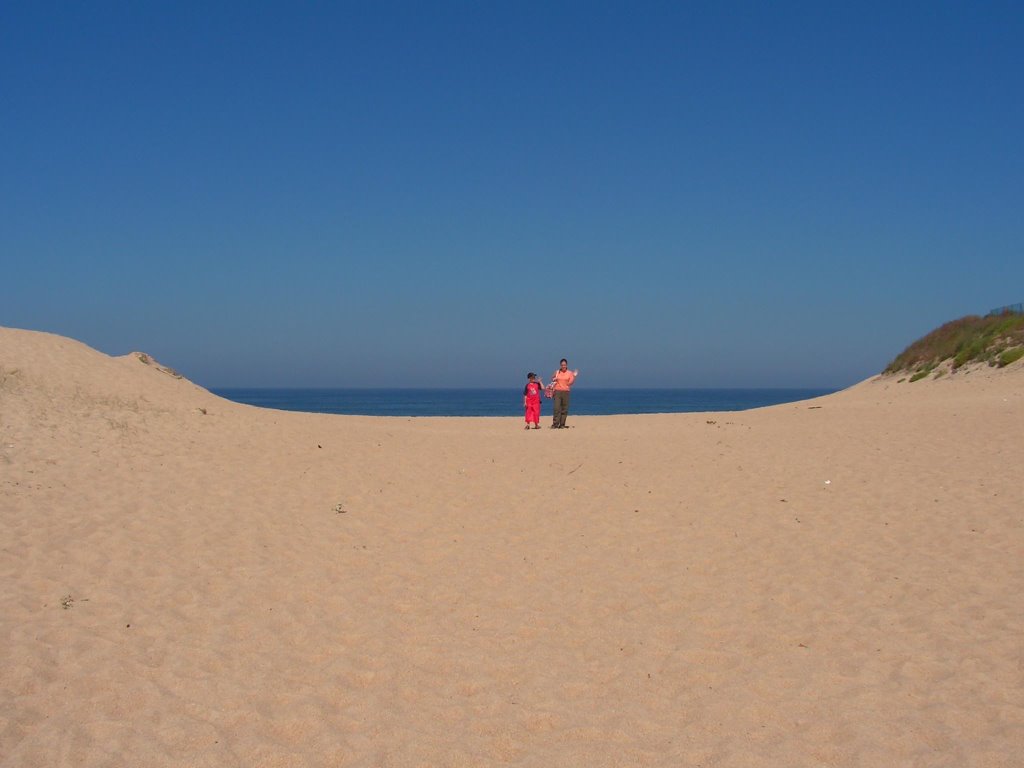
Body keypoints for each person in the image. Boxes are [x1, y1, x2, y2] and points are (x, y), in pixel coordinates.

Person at [550, 358, 579, 428]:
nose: (563, 366)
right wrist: (554, 379)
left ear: (566, 365)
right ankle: (555, 424)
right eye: (562, 365)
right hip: (557, 391)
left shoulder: (569, 373)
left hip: (566, 391)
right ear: (560, 365)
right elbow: (552, 378)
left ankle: (562, 424)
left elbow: (570, 383)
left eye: (565, 365)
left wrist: (574, 376)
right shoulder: (557, 372)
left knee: (564, 408)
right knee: (556, 408)